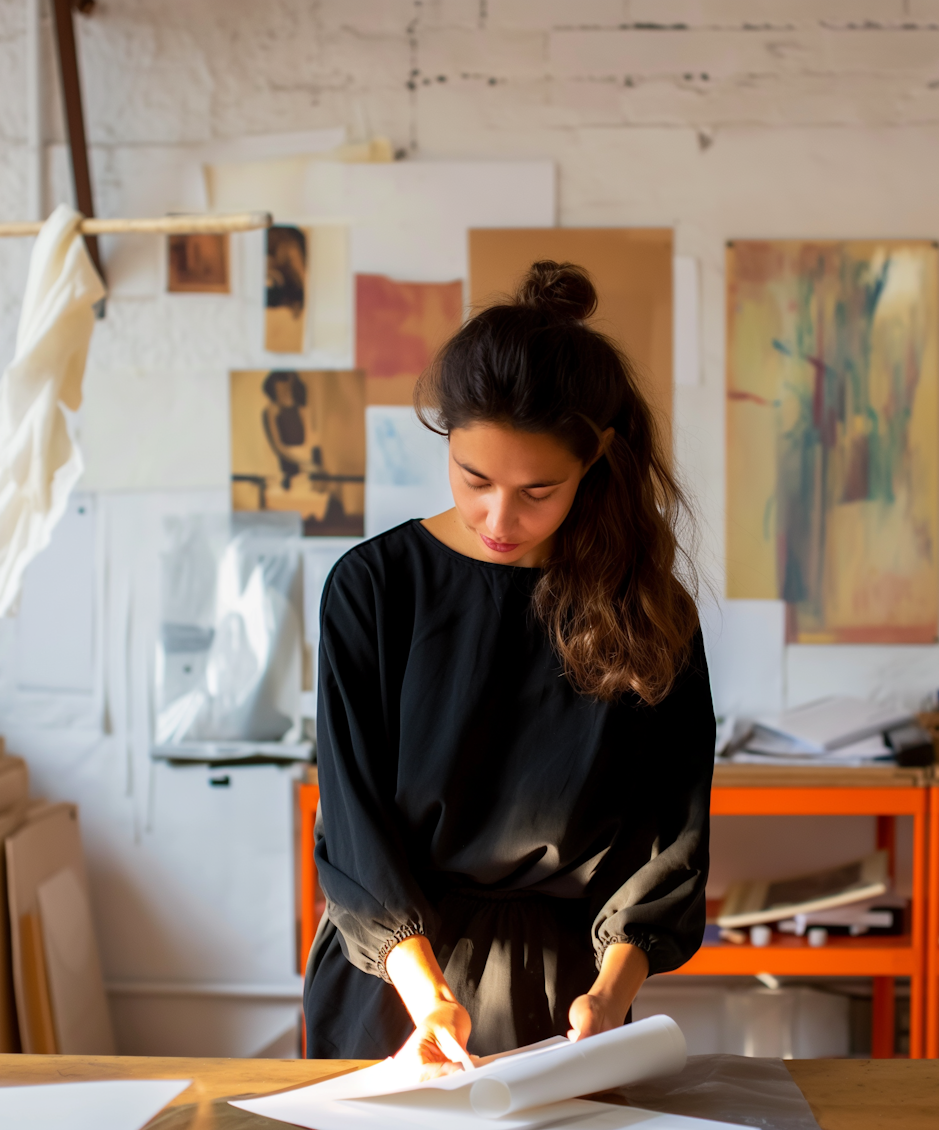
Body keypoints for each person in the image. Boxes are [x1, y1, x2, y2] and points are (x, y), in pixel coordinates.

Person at [303, 261, 716, 1073]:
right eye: (474, 479)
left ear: (595, 458)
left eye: (539, 490)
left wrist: (611, 992)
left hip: (566, 993)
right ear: (445, 438)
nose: (500, 517)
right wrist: (428, 999)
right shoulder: (373, 590)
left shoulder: (647, 611)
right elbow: (353, 826)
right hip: (392, 985)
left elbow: (667, 838)